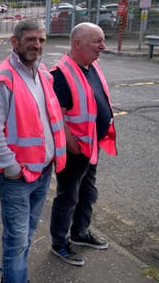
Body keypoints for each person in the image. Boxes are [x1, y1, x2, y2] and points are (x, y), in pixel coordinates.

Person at [0, 19, 66, 283]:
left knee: (27, 234)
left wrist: (51, 159)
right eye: (30, 40)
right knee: (16, 242)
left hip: (41, 172)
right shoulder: (3, 79)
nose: (37, 45)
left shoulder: (41, 73)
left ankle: (12, 279)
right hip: (18, 177)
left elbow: (46, 119)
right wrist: (12, 168)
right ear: (14, 42)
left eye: (41, 40)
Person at [49, 22, 117, 266]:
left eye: (103, 40)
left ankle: (80, 233)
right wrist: (72, 146)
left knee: (88, 193)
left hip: (91, 147)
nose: (103, 46)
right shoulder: (60, 74)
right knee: (68, 197)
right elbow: (57, 116)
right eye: (97, 41)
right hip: (75, 150)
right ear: (77, 44)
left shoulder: (92, 66)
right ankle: (59, 242)